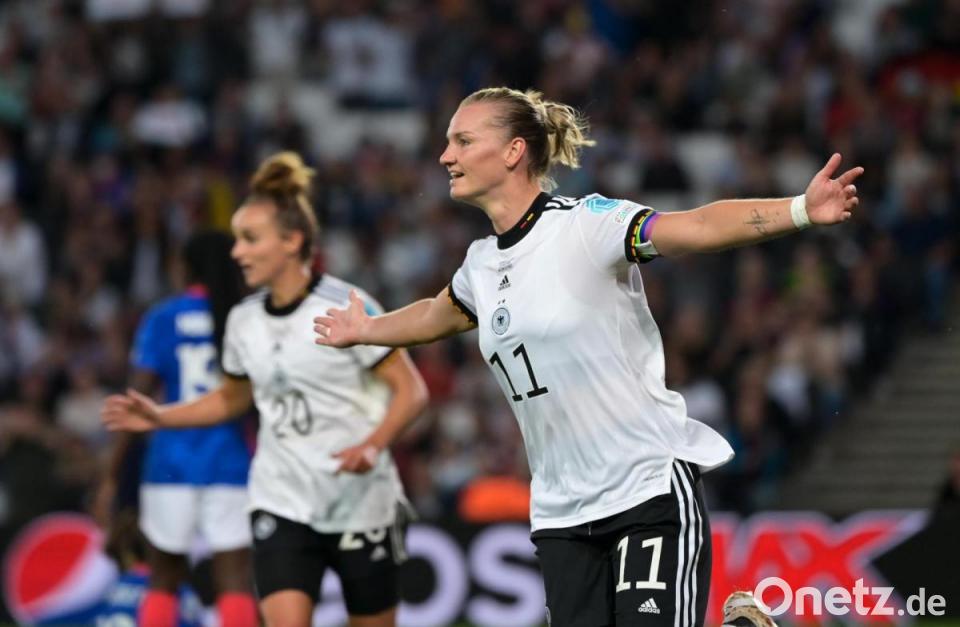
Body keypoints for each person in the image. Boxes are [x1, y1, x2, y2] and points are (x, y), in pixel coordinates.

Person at [313, 87, 863, 626]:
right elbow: (438, 314)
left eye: (462, 140)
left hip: (645, 487)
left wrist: (800, 210)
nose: (445, 156)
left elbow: (695, 226)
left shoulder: (586, 225)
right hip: (562, 513)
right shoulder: (480, 265)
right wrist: (367, 330)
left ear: (513, 151)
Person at [103, 151, 429, 627]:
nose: (237, 253)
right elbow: (232, 398)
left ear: (292, 241)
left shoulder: (348, 306)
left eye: (250, 239)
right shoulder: (243, 320)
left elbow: (412, 391)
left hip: (360, 501)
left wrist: (374, 444)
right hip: (281, 500)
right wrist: (160, 416)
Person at [96, 230, 257, 627]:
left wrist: (112, 475)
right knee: (235, 580)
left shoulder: (163, 317)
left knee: (163, 578)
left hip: (170, 464)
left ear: (184, 266)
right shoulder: (246, 318)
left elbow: (138, 403)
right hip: (230, 461)